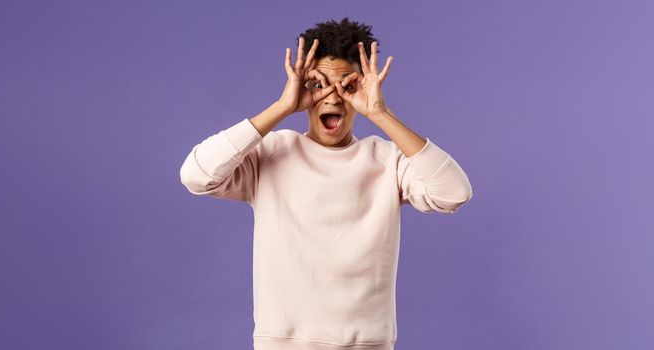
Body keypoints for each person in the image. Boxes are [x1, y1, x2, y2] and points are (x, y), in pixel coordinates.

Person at [179, 17, 473, 350]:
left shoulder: (386, 159)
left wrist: (380, 113)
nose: (332, 98)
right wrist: (281, 107)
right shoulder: (273, 152)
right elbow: (196, 175)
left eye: (348, 86)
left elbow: (454, 193)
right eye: (319, 85)